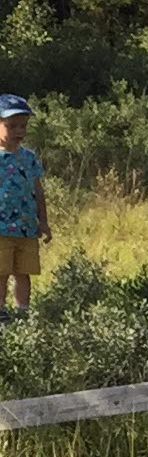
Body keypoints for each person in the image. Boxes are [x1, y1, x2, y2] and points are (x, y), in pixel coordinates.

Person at [0, 95, 47, 317]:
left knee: (23, 271)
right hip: (1, 229)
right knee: (1, 272)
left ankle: (23, 313)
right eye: (12, 126)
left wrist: (43, 221)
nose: (19, 131)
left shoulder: (29, 157)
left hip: (26, 227)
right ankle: (0, 312)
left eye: (23, 126)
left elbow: (38, 190)